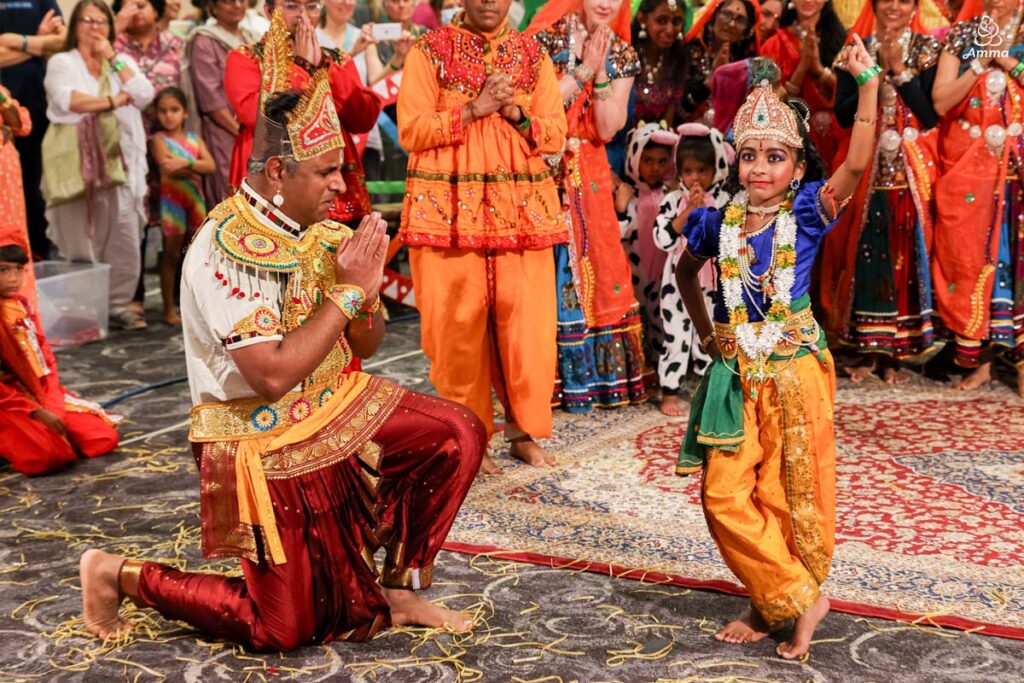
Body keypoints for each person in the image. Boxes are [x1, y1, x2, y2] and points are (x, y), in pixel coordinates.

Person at [78, 18, 484, 647]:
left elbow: (366, 346)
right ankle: (116, 574)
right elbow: (268, 377)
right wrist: (347, 290)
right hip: (255, 433)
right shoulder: (223, 247)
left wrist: (366, 293)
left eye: (339, 170)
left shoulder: (319, 230)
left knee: (454, 435)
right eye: (324, 172)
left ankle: (396, 587)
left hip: (330, 403)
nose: (339, 185)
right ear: (275, 173)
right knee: (285, 629)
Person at [674, 38, 881, 659]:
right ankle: (795, 592)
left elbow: (859, 159)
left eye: (775, 158)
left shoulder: (810, 214)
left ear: (796, 166)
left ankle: (776, 601)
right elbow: (687, 274)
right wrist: (710, 333)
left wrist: (866, 83)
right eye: (750, 157)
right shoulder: (719, 221)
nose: (760, 169)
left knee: (787, 494)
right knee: (723, 494)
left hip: (793, 371)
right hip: (737, 374)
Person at [399, 0, 567, 471]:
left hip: (522, 215)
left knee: (527, 325)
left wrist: (515, 112)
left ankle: (523, 431)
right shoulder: (428, 51)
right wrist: (474, 110)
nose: (490, 2)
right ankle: (468, 436)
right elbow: (410, 130)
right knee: (457, 326)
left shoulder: (533, 56)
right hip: (449, 214)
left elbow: (555, 133)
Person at [528, 0, 647, 414]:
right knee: (544, 266)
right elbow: (533, 108)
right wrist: (578, 69)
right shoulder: (545, 38)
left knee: (600, 260)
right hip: (544, 165)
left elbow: (610, 125)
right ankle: (540, 381)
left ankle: (596, 382)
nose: (605, 3)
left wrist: (598, 71)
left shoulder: (623, 52)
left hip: (591, 169)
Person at [822, 0, 942, 383]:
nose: (894, 6)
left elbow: (929, 115)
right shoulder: (854, 50)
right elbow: (841, 114)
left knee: (905, 254)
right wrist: (867, 80)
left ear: (915, 6)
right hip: (864, 170)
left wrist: (900, 72)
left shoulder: (926, 49)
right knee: (862, 253)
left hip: (910, 174)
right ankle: (865, 350)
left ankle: (898, 352)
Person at [42, 0, 154, 331]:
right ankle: (83, 309)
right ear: (75, 25)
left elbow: (145, 94)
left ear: (111, 27)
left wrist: (112, 58)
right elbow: (67, 99)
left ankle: (118, 305)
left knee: (123, 233)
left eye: (101, 21)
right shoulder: (62, 62)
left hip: (121, 163)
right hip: (77, 165)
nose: (94, 27)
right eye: (87, 20)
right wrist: (111, 102)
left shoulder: (120, 62)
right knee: (79, 238)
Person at [931, 0, 1024, 395]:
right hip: (969, 168)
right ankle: (981, 361)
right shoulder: (963, 35)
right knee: (972, 257)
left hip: (1016, 165)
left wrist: (1007, 61)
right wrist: (980, 64)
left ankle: (1020, 365)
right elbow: (940, 100)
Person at [226, 1, 382, 226]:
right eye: (291, 6)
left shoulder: (337, 60)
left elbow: (363, 118)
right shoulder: (246, 58)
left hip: (333, 185)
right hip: (273, 181)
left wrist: (320, 66)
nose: (304, 17)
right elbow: (255, 115)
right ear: (269, 11)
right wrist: (302, 68)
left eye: (311, 7)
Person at [0, 244, 120, 477]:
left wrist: (51, 400)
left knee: (102, 438)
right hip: (10, 400)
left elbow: (45, 359)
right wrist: (35, 411)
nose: (13, 278)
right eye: (3, 270)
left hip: (40, 393)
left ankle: (46, 435)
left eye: (19, 270)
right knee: (47, 457)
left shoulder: (21, 305)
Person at [650, 124, 733, 414]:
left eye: (702, 170)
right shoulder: (672, 200)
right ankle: (669, 392)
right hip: (677, 284)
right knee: (675, 335)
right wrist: (687, 212)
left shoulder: (724, 201)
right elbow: (662, 238)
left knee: (709, 334)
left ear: (716, 169)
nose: (695, 177)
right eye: (688, 171)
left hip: (711, 285)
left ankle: (707, 386)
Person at [616, 122, 679, 389]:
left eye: (662, 161)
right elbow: (616, 234)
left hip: (663, 275)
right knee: (636, 324)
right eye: (648, 160)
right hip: (631, 275)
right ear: (634, 158)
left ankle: (663, 368)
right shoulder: (628, 195)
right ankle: (639, 371)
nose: (655, 167)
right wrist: (620, 207)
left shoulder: (670, 195)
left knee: (662, 321)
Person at [0, 3, 65, 259]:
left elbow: (62, 42)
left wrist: (19, 41)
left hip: (31, 108)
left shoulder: (42, 0)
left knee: (28, 185)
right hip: (5, 101)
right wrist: (39, 43)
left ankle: (32, 256)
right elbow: (50, 43)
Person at [151, 86, 214, 326]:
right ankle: (169, 308)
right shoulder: (158, 139)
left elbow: (211, 166)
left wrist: (184, 162)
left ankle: (198, 306)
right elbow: (168, 167)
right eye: (163, 111)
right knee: (170, 255)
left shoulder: (193, 139)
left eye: (174, 110)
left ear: (185, 113)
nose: (169, 116)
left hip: (195, 201)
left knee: (197, 253)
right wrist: (194, 166)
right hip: (172, 204)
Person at [761, 0, 848, 171]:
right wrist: (801, 69)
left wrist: (818, 70)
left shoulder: (841, 40)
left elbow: (851, 93)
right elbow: (768, 100)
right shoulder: (773, 45)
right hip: (790, 135)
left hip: (836, 138)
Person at [184, 0, 256, 207]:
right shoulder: (204, 40)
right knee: (230, 197)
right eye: (228, 1)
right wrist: (241, 132)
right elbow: (211, 100)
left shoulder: (249, 37)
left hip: (252, 132)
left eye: (241, 0)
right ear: (213, 7)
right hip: (224, 131)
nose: (237, 5)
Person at [680, 0, 761, 124]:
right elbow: (677, 111)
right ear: (713, 18)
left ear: (746, 32)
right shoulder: (689, 53)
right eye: (726, 14)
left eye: (740, 20)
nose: (731, 23)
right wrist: (708, 84)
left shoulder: (747, 67)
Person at [0, 85, 39, 309]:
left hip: (8, 189)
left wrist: (3, 104)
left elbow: (20, 125)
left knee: (12, 242)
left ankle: (19, 321)